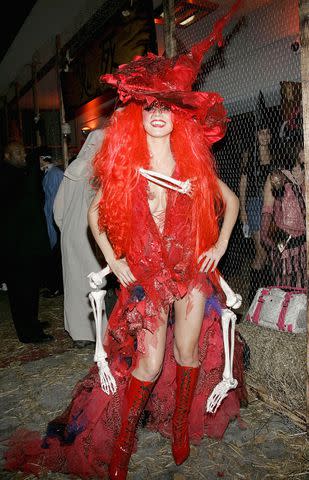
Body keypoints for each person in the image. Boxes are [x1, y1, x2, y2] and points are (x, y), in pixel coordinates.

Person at [4, 2, 246, 478]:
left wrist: (217, 246)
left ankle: (180, 430)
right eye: (150, 108)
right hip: (148, 275)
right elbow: (95, 215)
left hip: (191, 270)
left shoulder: (191, 164)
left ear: (179, 118)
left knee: (188, 353)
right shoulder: (127, 166)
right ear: (139, 115)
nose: (158, 116)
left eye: (167, 109)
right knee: (150, 362)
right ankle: (121, 447)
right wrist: (114, 261)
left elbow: (231, 202)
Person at [53, 130, 106, 347]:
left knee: (73, 281)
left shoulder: (72, 169)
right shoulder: (97, 171)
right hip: (89, 234)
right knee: (94, 281)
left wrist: (65, 229)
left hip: (69, 234)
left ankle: (79, 334)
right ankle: (98, 333)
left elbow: (57, 208)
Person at [0, 142, 53, 343]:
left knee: (30, 288)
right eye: (19, 152)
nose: (23, 155)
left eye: (24, 152)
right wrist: (32, 166)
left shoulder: (16, 173)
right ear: (7, 155)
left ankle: (31, 321)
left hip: (25, 246)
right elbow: (24, 199)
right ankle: (28, 332)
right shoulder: (6, 175)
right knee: (20, 291)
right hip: (15, 249)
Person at [261, 145, 306, 288]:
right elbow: (268, 207)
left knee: (302, 279)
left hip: (304, 238)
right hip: (284, 235)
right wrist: (266, 232)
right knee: (285, 280)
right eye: (302, 150)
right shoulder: (277, 175)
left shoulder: (305, 173)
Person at [239, 124, 273, 299]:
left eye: (267, 132)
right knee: (261, 251)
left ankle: (263, 296)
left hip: (273, 205)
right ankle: (255, 296)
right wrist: (242, 209)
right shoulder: (249, 155)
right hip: (253, 204)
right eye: (261, 132)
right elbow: (243, 182)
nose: (265, 136)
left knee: (266, 253)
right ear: (256, 135)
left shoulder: (275, 155)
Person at [40, 153, 64, 297]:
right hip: (50, 215)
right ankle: (53, 285)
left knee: (56, 255)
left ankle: (57, 287)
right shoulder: (48, 173)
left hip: (55, 216)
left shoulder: (56, 174)